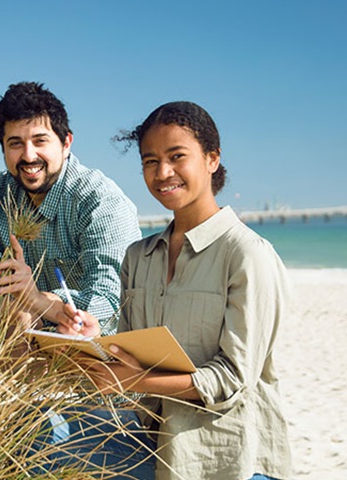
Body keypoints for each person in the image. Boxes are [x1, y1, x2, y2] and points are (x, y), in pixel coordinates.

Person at [53, 101, 293, 479]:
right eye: (150, 161)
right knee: (45, 429)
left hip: (229, 458)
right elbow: (137, 354)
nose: (163, 173)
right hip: (153, 440)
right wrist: (95, 339)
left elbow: (230, 379)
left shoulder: (247, 254)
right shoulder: (139, 256)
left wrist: (132, 380)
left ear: (212, 159)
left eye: (177, 156)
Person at [0, 81, 141, 355]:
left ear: (66, 143)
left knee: (37, 323)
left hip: (91, 341)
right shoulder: (0, 192)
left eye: (40, 141)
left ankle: (45, 397)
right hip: (27, 327)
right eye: (15, 143)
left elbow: (111, 304)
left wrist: (41, 302)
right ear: (3, 147)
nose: (28, 156)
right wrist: (18, 309)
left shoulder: (99, 198)